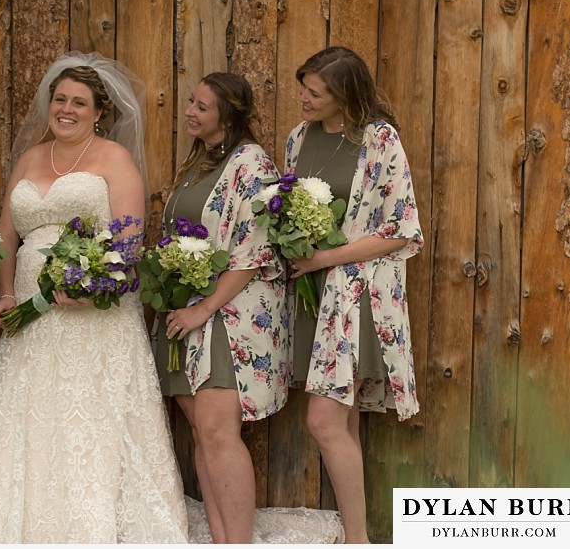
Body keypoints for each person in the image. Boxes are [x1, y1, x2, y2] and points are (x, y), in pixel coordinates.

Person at [0, 52, 188, 543]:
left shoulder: (114, 158)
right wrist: (3, 294)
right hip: (31, 311)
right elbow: (6, 236)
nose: (66, 109)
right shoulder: (29, 159)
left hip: (95, 315)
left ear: (98, 111)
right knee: (28, 419)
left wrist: (94, 285)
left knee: (92, 419)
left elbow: (128, 240)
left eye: (78, 102)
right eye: (59, 99)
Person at [286, 46, 423, 543]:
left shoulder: (379, 139)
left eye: (316, 92)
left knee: (323, 421)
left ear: (344, 95)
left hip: (356, 293)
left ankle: (358, 540)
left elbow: (401, 230)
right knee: (341, 424)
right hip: (311, 295)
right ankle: (358, 537)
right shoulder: (298, 138)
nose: (304, 97)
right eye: (303, 86)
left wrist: (324, 258)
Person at [153, 73, 289, 543]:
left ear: (227, 117)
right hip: (186, 311)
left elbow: (255, 251)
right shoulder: (197, 162)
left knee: (217, 430)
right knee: (201, 430)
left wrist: (202, 309)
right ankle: (221, 539)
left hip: (227, 316)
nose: (189, 111)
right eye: (190, 101)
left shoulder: (250, 163)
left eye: (202, 107)